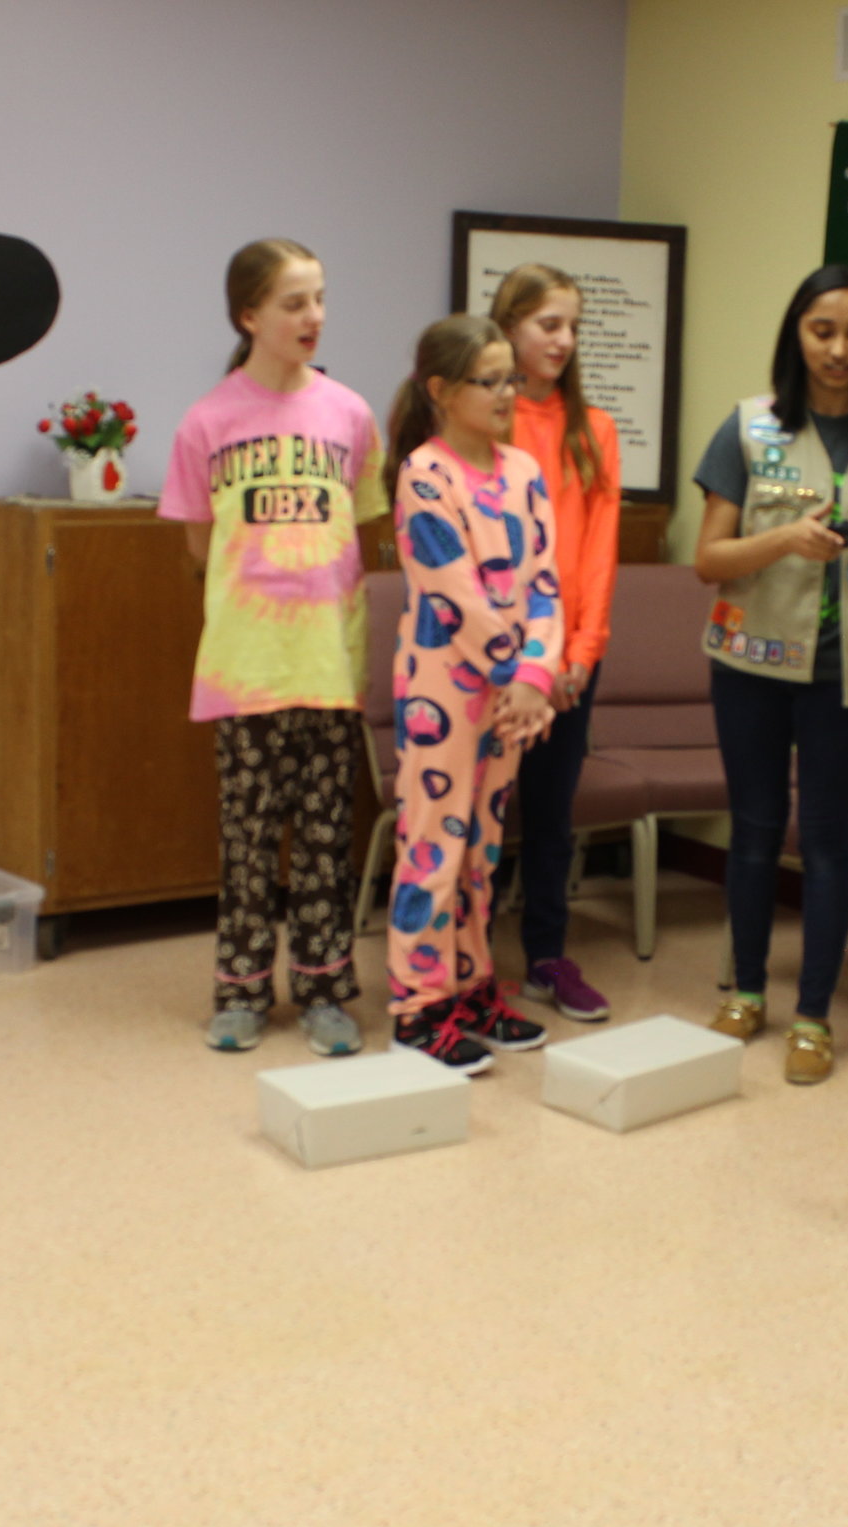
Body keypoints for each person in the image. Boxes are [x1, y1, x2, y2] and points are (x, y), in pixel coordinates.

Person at [692, 265, 848, 1085]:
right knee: (756, 829)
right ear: (797, 334)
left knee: (829, 841)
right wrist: (784, 541)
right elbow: (709, 558)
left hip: (846, 672)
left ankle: (815, 1016)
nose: (839, 349)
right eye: (822, 330)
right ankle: (750, 991)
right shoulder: (747, 428)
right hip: (752, 660)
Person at [159, 238, 389, 1056]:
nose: (314, 317)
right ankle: (243, 992)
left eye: (320, 299)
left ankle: (326, 991)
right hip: (248, 666)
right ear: (249, 315)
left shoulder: (350, 413)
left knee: (328, 836)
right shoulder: (207, 420)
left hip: (329, 663)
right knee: (251, 840)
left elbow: (362, 527)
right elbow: (198, 548)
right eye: (294, 303)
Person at [383, 315, 564, 1074]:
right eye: (487, 381)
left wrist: (533, 677)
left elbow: (547, 585)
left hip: (511, 697)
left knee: (484, 851)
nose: (505, 394)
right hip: (444, 693)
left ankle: (471, 986)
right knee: (434, 845)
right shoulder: (425, 474)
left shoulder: (523, 470)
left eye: (509, 379)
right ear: (440, 391)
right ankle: (416, 1003)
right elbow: (454, 595)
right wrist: (511, 672)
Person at [489, 263, 623, 1023]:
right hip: (490, 658)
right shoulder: (487, 421)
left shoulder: (593, 428)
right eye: (549, 324)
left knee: (550, 815)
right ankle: (461, 961)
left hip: (568, 660)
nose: (564, 340)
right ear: (508, 328)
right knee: (478, 811)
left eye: (573, 326)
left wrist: (581, 652)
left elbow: (598, 549)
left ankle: (546, 955)